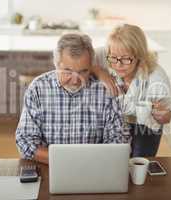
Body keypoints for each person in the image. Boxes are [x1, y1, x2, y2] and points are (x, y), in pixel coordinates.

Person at [16, 33, 129, 164]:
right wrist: (67, 161)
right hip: (50, 167)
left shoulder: (105, 90)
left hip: (94, 167)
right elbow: (25, 140)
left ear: (91, 66)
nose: (76, 80)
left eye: (83, 71)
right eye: (68, 71)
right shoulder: (38, 88)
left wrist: (88, 161)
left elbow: (120, 140)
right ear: (56, 64)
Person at [92, 24, 171, 157]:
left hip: (142, 125)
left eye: (126, 59)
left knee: (138, 162)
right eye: (113, 58)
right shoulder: (107, 52)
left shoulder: (156, 77)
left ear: (139, 56)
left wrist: (164, 115)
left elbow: (167, 115)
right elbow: (83, 59)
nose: (118, 65)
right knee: (109, 159)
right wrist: (100, 72)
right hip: (113, 120)